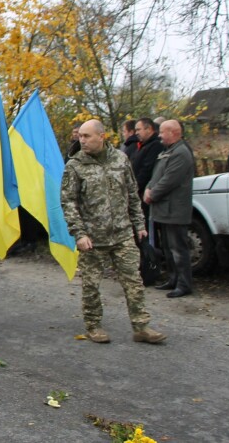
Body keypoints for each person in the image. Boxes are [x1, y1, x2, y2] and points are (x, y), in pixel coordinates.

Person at [61, 119, 166, 345]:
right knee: (91, 284)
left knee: (133, 282)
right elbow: (68, 202)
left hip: (122, 234)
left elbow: (132, 193)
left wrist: (139, 225)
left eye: (87, 136)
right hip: (92, 237)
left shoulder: (121, 159)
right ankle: (93, 325)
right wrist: (79, 233)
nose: (82, 140)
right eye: (81, 136)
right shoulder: (75, 165)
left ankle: (141, 326)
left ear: (102, 136)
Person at [144, 120, 195, 298]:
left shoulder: (181, 153)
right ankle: (173, 279)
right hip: (164, 210)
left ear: (174, 132)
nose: (159, 135)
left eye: (162, 132)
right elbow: (157, 175)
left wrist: (152, 194)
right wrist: (148, 187)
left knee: (178, 249)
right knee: (167, 248)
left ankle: (184, 284)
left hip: (175, 210)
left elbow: (169, 180)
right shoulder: (168, 151)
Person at [131, 117, 164, 286]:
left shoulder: (154, 146)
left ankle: (151, 270)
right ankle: (144, 268)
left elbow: (146, 171)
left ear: (149, 129)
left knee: (147, 236)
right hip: (138, 196)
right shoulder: (143, 146)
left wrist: (134, 189)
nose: (136, 133)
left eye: (138, 130)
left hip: (145, 197)